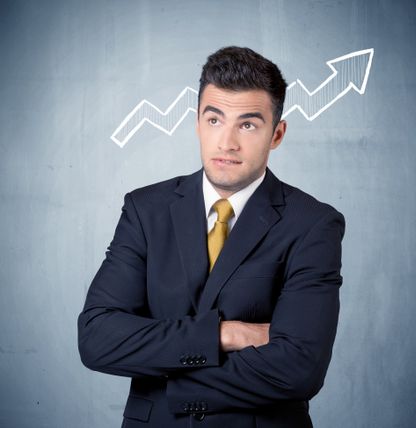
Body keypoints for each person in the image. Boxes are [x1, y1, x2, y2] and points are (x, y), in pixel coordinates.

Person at [78, 46, 345, 428]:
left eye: (248, 124)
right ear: (198, 124)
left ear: (277, 134)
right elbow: (96, 338)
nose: (227, 142)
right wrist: (226, 333)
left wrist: (167, 378)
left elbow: (300, 368)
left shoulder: (313, 224)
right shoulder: (145, 210)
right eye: (215, 120)